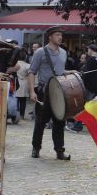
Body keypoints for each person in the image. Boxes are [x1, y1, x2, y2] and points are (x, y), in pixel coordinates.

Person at [27, 27, 72, 161]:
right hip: (44, 91)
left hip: (59, 92)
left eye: (61, 35)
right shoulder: (40, 52)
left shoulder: (63, 52)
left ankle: (59, 151)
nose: (60, 37)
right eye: (57, 35)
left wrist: (69, 72)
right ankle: (36, 148)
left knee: (59, 121)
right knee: (40, 122)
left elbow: (60, 71)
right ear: (50, 37)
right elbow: (32, 72)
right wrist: (32, 91)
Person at [12, 49, 31, 119]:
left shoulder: (14, 64)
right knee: (23, 100)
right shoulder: (28, 65)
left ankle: (15, 114)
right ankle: (22, 115)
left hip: (16, 82)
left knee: (16, 99)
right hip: (24, 83)